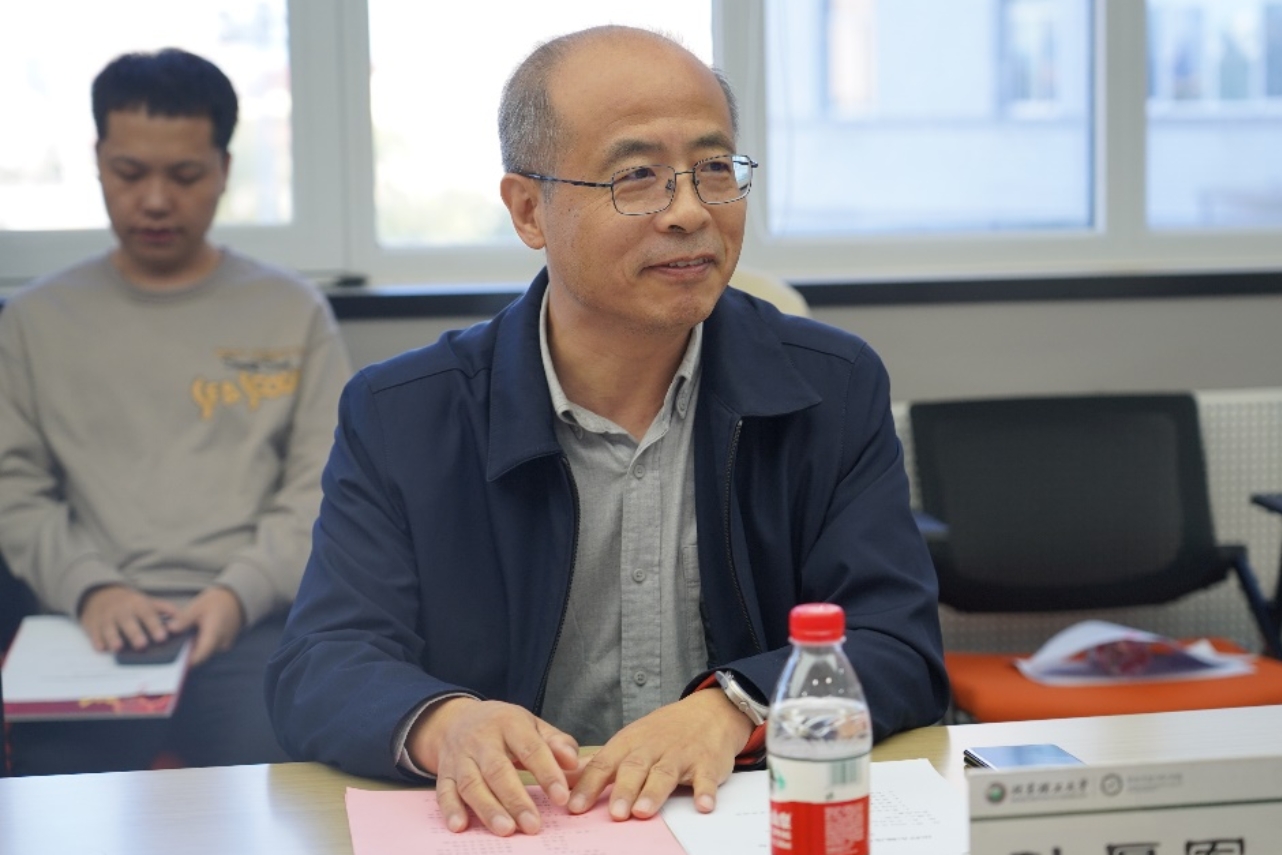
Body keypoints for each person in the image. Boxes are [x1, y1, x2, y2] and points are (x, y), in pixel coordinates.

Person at [266, 25, 947, 836]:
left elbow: (896, 644)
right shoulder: (405, 412)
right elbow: (324, 662)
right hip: (523, 826)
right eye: (638, 177)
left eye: (715, 168)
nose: (690, 211)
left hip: (735, 817)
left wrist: (735, 706)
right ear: (529, 209)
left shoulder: (830, 387)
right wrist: (449, 724)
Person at [0, 48, 351, 774]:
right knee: (51, 801)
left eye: (185, 176)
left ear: (223, 168)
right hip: (90, 624)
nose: (156, 200)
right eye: (130, 173)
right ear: (98, 162)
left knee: (278, 784)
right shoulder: (34, 321)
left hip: (255, 618)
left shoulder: (290, 311)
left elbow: (324, 486)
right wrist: (91, 588)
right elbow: (14, 489)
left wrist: (238, 592)